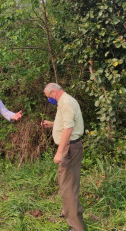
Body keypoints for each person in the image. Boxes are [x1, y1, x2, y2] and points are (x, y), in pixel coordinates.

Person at [41, 83, 86, 231]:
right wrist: (53, 124)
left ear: (53, 92)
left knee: (68, 187)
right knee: (66, 182)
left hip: (70, 149)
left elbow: (69, 129)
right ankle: (69, 211)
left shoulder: (65, 102)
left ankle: (76, 227)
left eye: (48, 97)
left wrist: (60, 152)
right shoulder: (66, 101)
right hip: (72, 147)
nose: (49, 100)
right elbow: (67, 123)